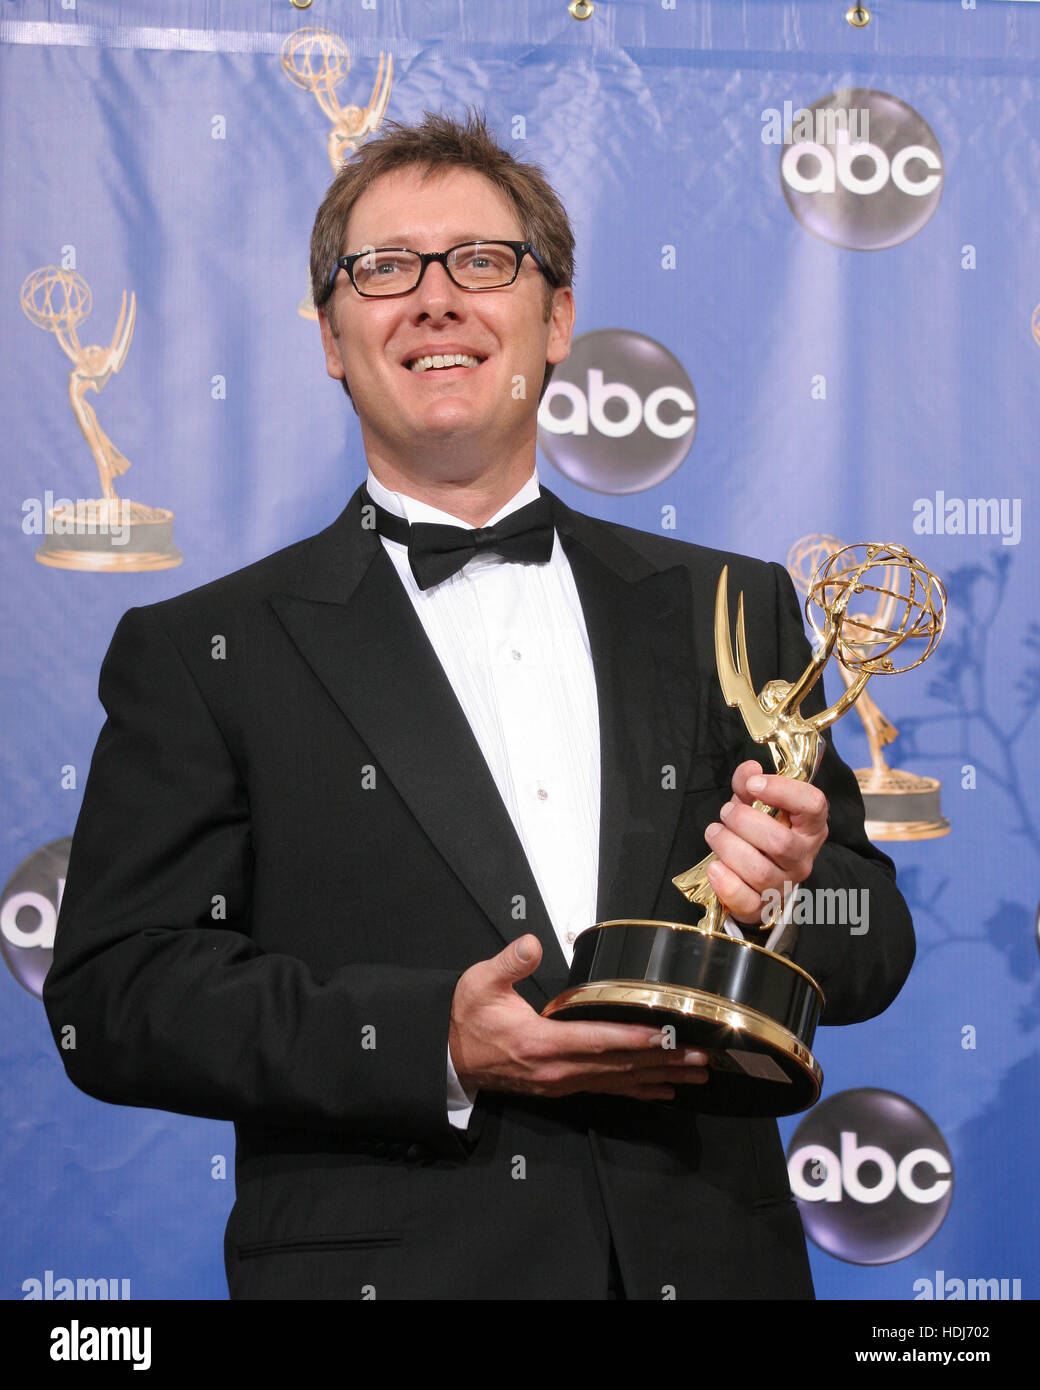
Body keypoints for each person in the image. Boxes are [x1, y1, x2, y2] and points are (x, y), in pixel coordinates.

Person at [43, 111, 914, 1301]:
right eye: (385, 268)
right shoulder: (205, 650)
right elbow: (112, 995)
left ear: (554, 320)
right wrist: (427, 1042)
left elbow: (873, 943)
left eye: (482, 261)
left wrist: (790, 897)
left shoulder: (732, 604)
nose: (435, 298)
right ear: (333, 339)